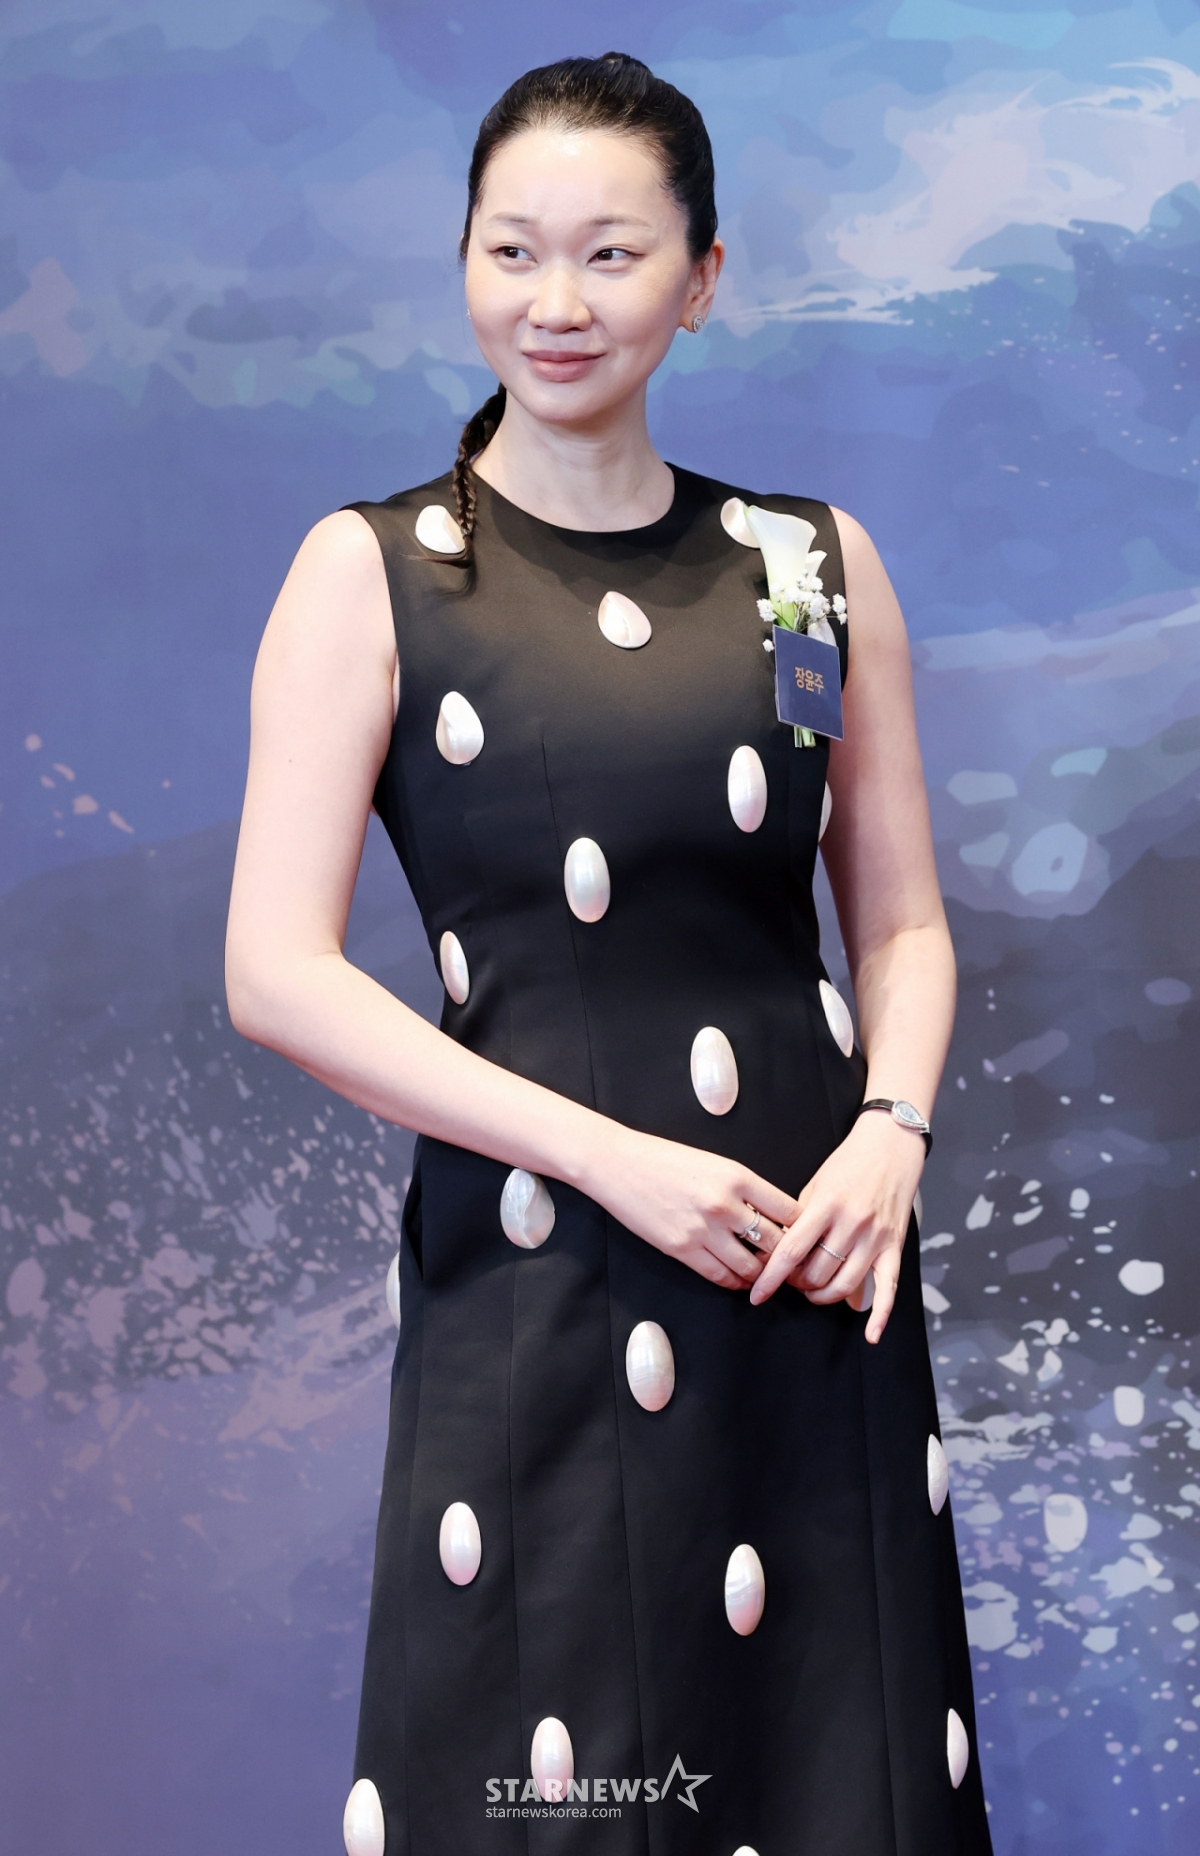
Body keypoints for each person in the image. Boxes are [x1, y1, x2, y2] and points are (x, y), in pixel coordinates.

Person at [225, 51, 990, 1856]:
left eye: (613, 255)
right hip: (543, 1263)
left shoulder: (803, 567)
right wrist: (607, 1159)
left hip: (809, 1262)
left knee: (838, 1765)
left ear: (702, 279)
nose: (556, 302)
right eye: (512, 251)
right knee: (559, 1771)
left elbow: (898, 918)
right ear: (463, 264)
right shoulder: (375, 571)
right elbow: (274, 970)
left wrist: (892, 1132)